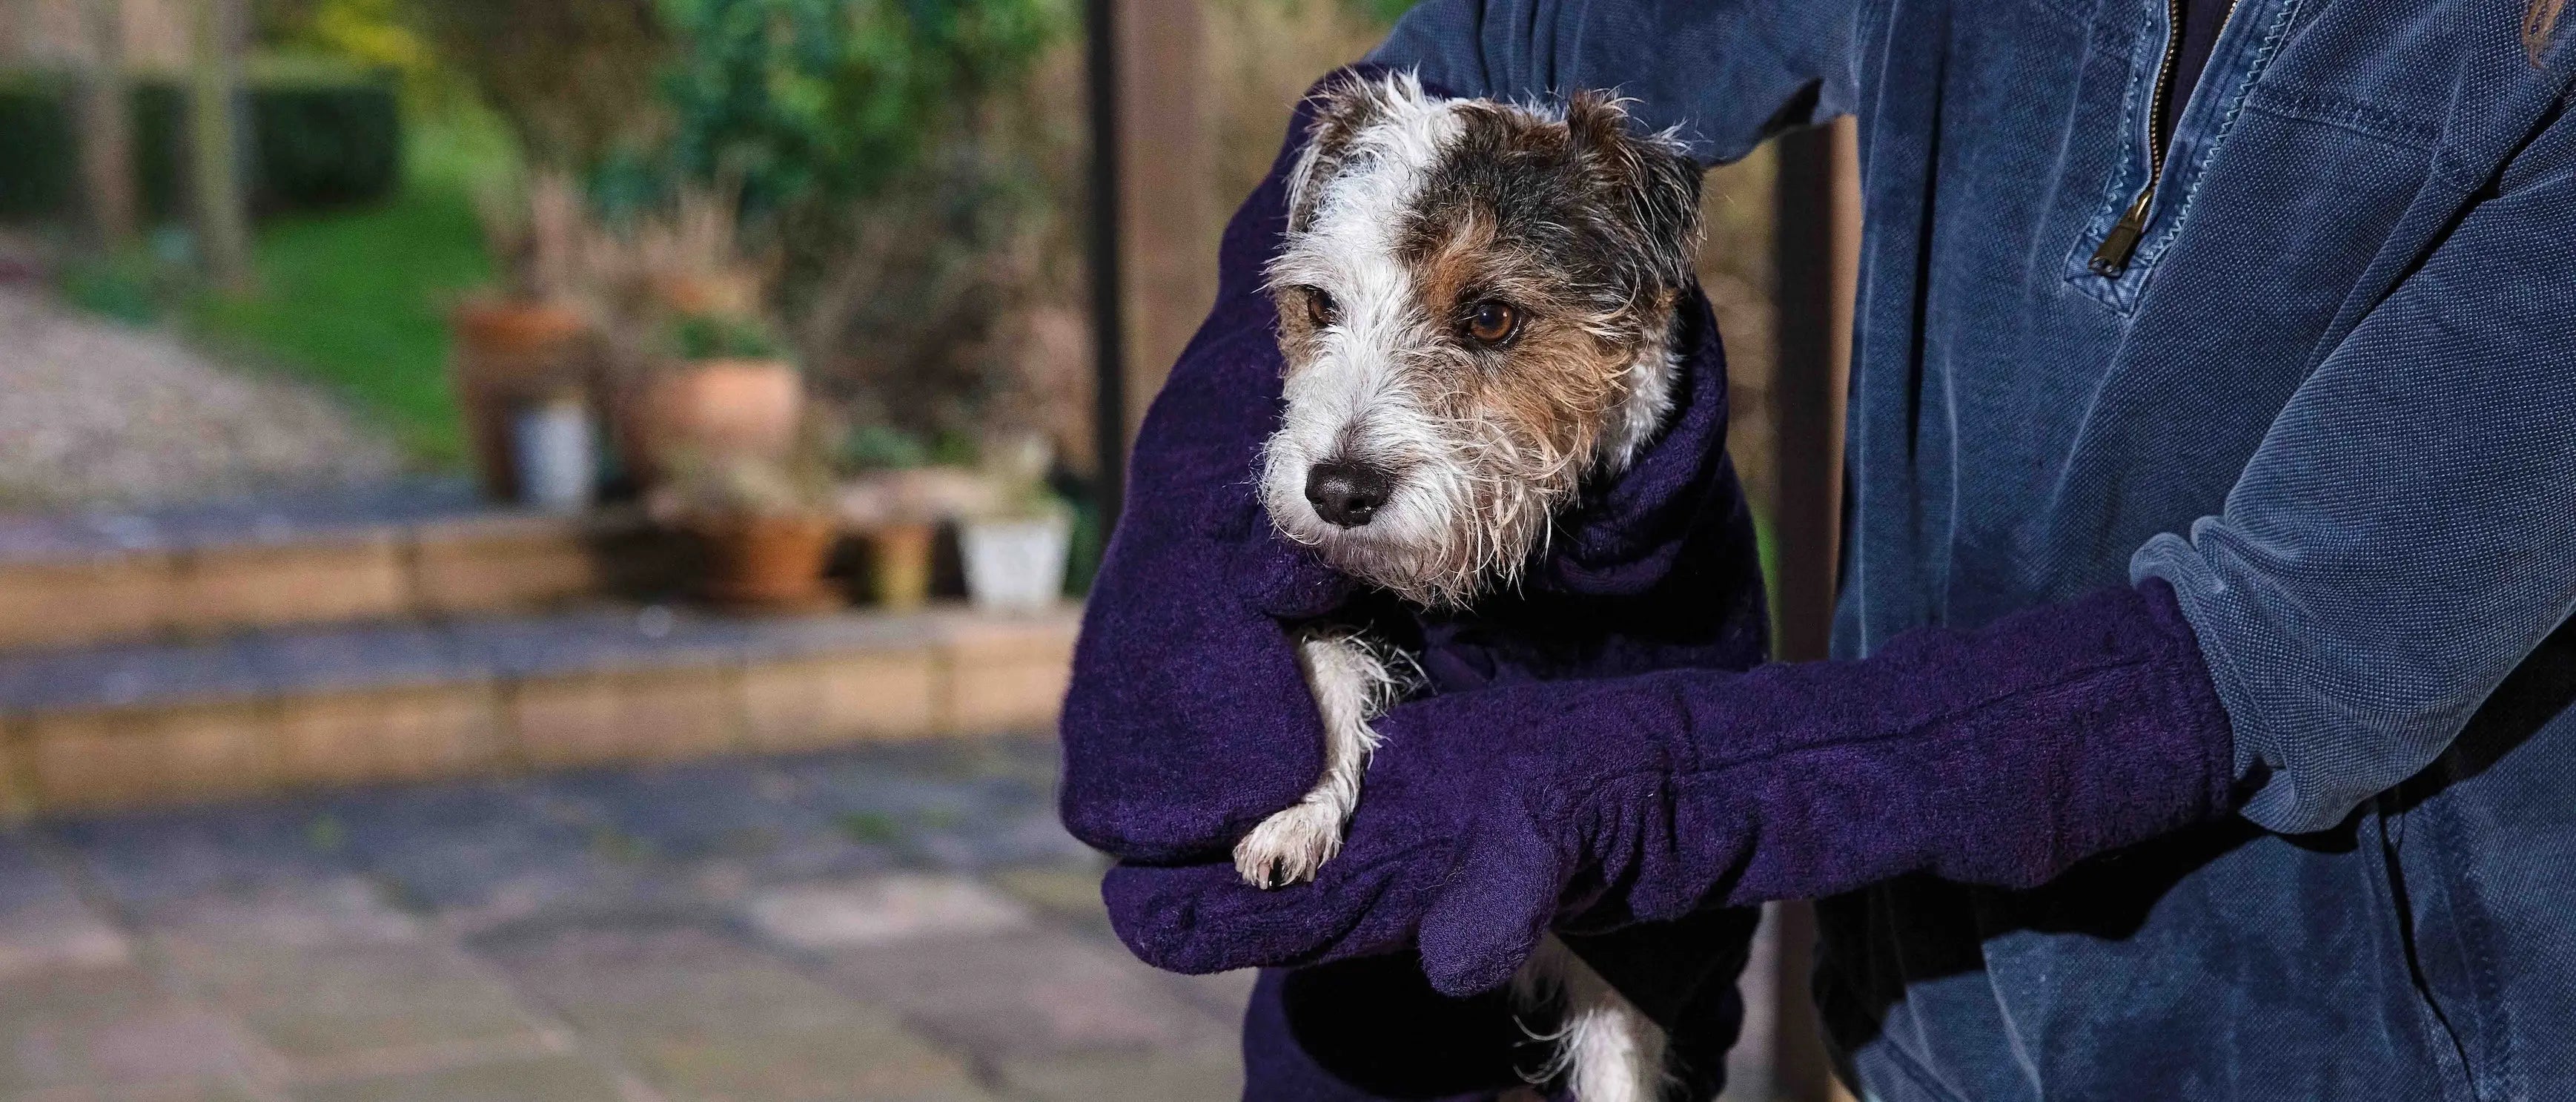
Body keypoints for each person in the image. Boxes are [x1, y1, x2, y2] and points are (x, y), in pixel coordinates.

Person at [1062, 0, 2576, 1098]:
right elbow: (1481, 47)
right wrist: (1207, 473)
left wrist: (1656, 782)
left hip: (2356, 1049)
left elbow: (2278, 659)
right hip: (1916, 1028)